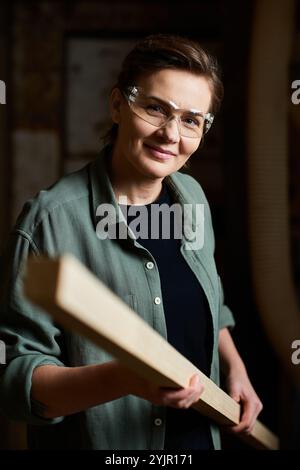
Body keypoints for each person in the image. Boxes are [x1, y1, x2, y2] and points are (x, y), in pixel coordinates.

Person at [0, 34, 262, 450]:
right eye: (156, 108)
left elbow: (211, 302)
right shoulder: (50, 221)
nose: (171, 134)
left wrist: (235, 368)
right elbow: (16, 384)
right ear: (118, 104)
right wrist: (124, 378)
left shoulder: (192, 196)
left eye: (192, 119)